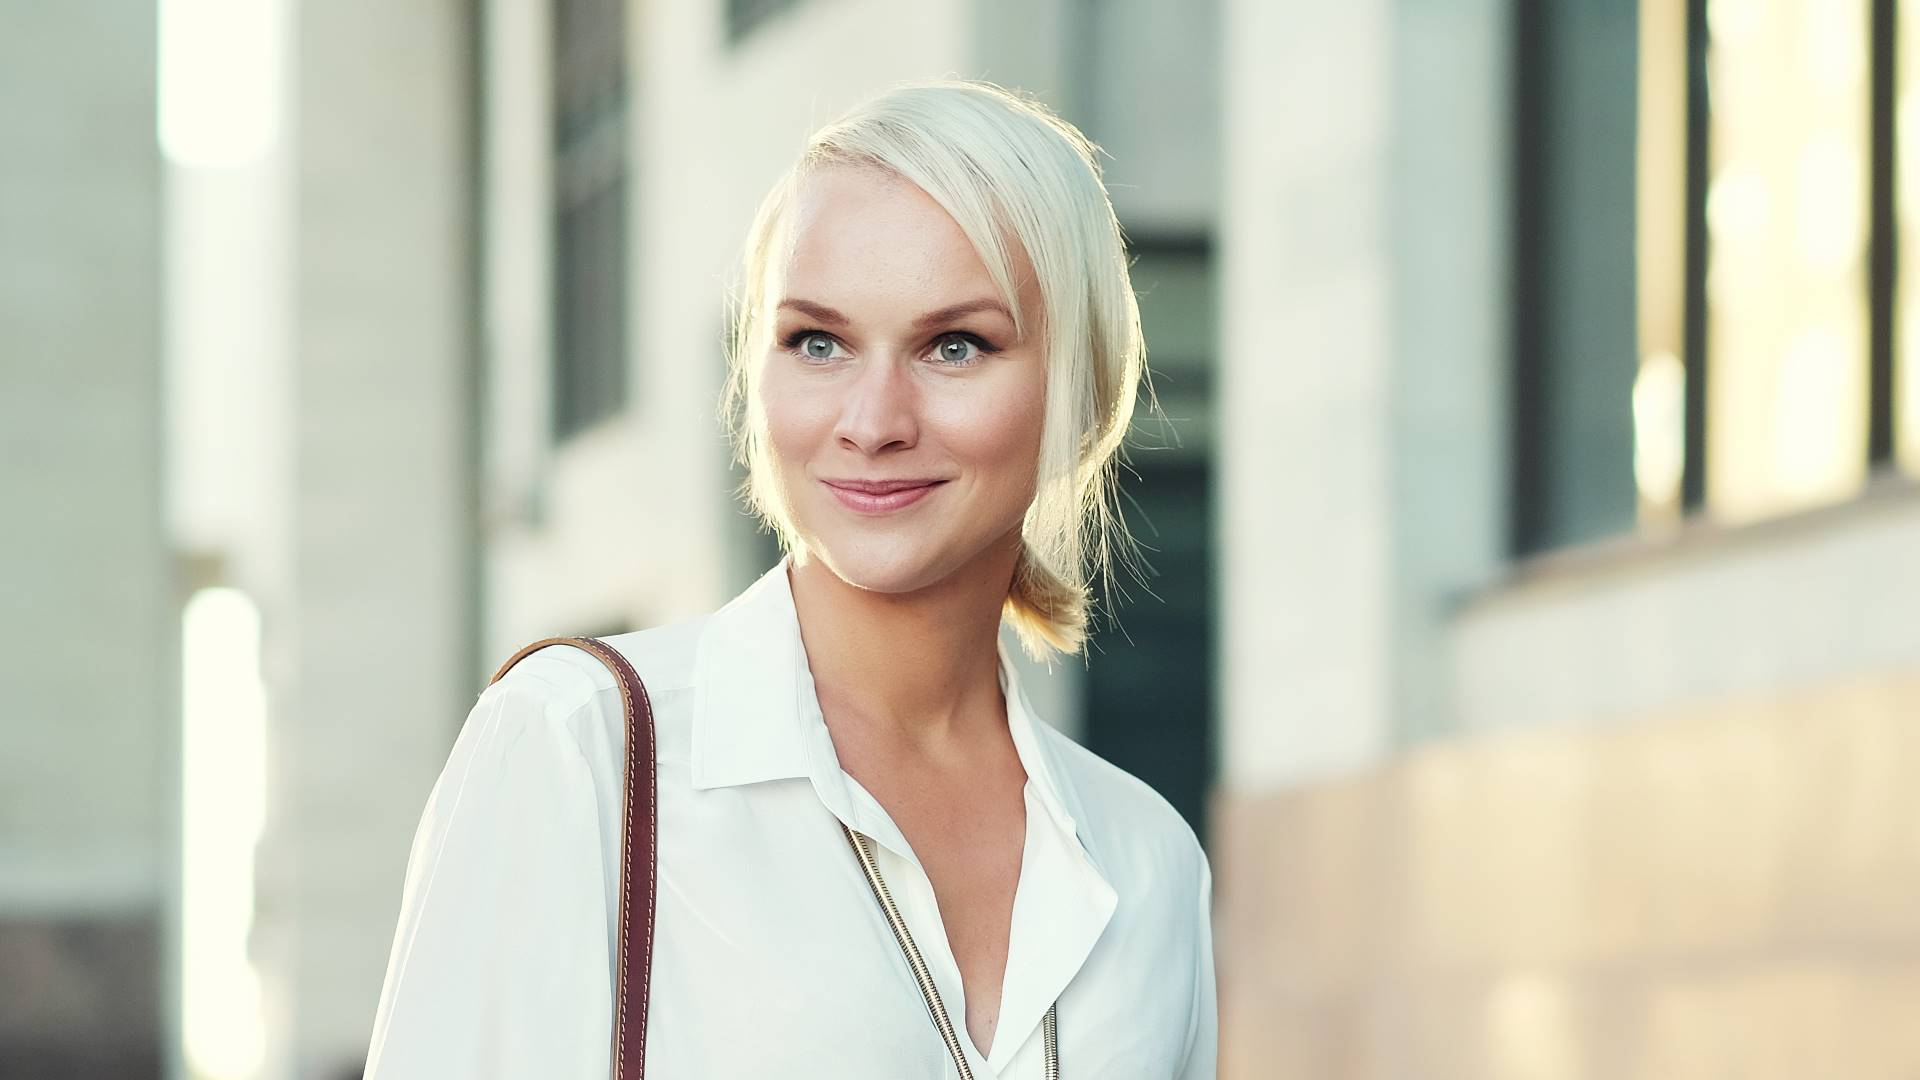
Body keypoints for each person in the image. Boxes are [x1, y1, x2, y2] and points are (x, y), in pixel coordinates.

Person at [362, 77, 1216, 1079]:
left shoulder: (1147, 862)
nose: (872, 419)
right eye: (818, 342)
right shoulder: (580, 744)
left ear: (1079, 383)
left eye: (956, 346)